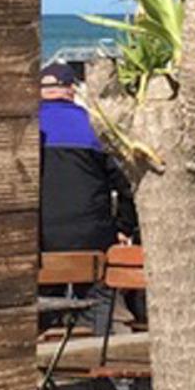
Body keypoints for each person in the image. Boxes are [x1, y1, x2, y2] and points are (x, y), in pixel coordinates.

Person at [38, 60, 136, 329]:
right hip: (91, 242)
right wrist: (124, 226)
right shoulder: (94, 126)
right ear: (71, 90)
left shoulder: (27, 127)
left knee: (42, 301)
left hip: (39, 242)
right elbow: (128, 184)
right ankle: (99, 344)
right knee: (99, 300)